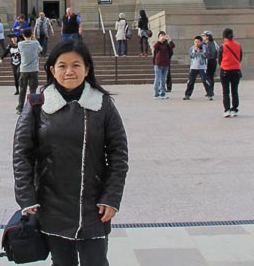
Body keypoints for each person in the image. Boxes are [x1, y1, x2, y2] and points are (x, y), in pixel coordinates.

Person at [13, 39, 128, 266]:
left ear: (86, 69)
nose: (69, 71)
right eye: (62, 66)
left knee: (95, 261)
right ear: (52, 70)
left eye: (76, 65)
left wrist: (112, 197)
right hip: (52, 203)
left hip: (94, 205)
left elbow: (118, 154)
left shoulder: (102, 104)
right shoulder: (38, 104)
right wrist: (26, 197)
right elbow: (22, 154)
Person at [16, 28, 42, 114]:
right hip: (34, 69)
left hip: (24, 69)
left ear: (23, 35)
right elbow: (40, 50)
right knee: (33, 89)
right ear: (31, 34)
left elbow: (19, 52)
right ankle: (32, 107)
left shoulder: (20, 44)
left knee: (22, 88)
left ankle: (20, 107)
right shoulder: (35, 43)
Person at [219, 27, 243, 118]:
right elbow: (240, 58)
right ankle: (235, 109)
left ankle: (227, 110)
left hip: (225, 70)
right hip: (236, 70)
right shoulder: (238, 45)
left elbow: (219, 60)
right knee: (235, 91)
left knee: (225, 92)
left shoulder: (223, 46)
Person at [183, 35, 214, 100]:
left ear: (201, 42)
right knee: (190, 81)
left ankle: (210, 94)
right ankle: (187, 94)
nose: (197, 43)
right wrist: (195, 50)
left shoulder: (205, 47)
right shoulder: (192, 48)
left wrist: (201, 51)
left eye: (198, 42)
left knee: (205, 80)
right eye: (195, 42)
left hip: (202, 67)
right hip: (193, 67)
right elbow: (191, 56)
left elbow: (206, 56)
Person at [152, 31, 174, 99]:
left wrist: (170, 40)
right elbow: (155, 47)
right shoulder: (158, 44)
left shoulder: (167, 44)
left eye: (164, 36)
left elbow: (172, 46)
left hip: (166, 64)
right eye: (161, 36)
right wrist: (159, 41)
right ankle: (156, 94)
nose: (163, 37)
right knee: (157, 79)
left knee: (163, 79)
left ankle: (163, 93)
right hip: (158, 63)